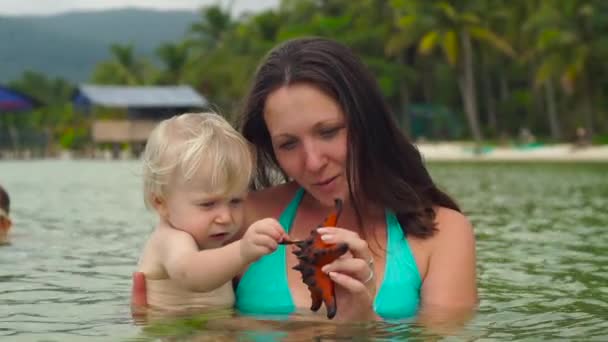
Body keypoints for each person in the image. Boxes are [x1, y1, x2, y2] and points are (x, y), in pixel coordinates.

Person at [133, 37, 477, 325]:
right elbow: (172, 297)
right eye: (288, 144)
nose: (312, 162)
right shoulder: (239, 218)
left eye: (328, 132)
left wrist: (364, 325)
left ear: (366, 122)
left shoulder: (443, 232)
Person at [134, 112, 286, 315]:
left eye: (236, 201)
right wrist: (242, 251)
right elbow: (191, 273)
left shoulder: (214, 240)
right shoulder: (169, 239)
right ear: (161, 203)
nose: (226, 217)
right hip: (174, 332)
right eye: (207, 204)